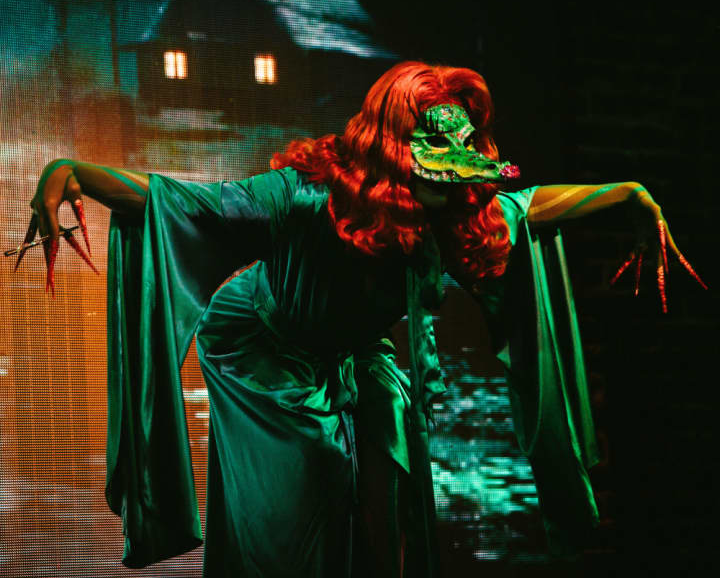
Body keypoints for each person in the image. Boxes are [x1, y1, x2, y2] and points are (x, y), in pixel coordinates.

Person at [16, 62, 704, 577]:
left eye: (463, 174)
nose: (455, 188)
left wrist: (629, 195)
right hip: (261, 344)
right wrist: (71, 172)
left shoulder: (458, 211)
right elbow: (186, 203)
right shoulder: (306, 196)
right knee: (309, 483)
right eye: (437, 172)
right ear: (397, 164)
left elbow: (534, 206)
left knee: (392, 458)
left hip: (350, 346)